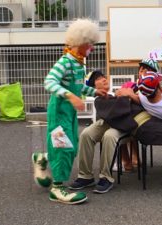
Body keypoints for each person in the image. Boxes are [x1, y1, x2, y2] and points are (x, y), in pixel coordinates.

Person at [31, 18, 107, 205]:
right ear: (80, 43)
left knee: (71, 148)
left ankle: (43, 158)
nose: (92, 48)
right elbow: (49, 82)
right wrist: (70, 96)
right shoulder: (65, 62)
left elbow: (78, 87)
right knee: (63, 147)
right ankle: (57, 189)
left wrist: (94, 92)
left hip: (69, 112)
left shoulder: (79, 63)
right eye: (90, 44)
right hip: (59, 111)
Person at [69, 58, 160, 194]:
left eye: (147, 70)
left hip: (127, 122)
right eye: (141, 69)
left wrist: (127, 96)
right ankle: (85, 176)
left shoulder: (154, 87)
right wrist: (126, 97)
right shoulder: (130, 85)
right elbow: (120, 103)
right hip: (111, 119)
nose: (142, 72)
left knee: (109, 136)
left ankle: (106, 177)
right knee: (86, 134)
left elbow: (147, 105)